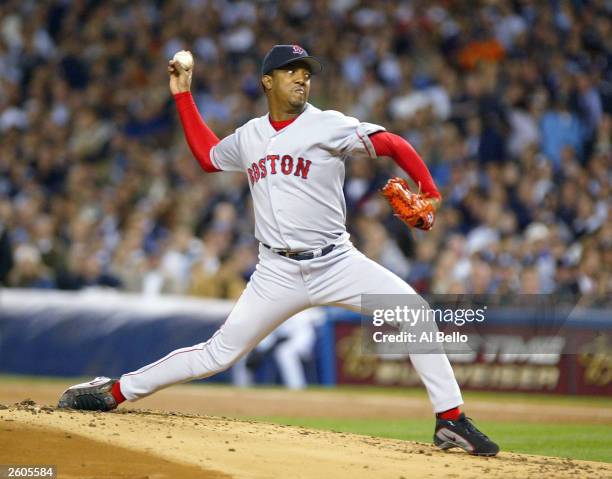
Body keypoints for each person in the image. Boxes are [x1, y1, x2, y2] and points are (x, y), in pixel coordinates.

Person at [58, 45, 499, 456]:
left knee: (414, 311)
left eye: (306, 73)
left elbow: (391, 144)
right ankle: (115, 391)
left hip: (336, 261)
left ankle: (450, 419)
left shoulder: (328, 124)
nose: (301, 80)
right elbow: (208, 156)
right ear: (268, 81)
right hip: (276, 272)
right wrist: (183, 96)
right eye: (291, 72)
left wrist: (431, 189)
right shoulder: (251, 135)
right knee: (218, 355)